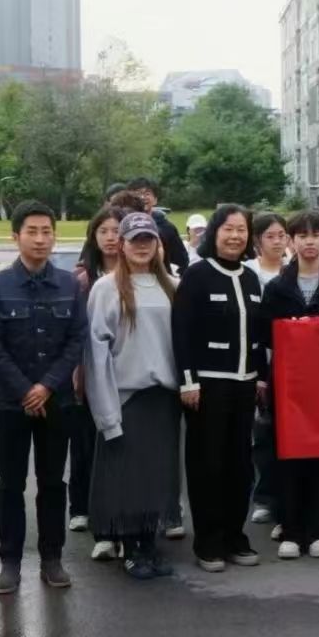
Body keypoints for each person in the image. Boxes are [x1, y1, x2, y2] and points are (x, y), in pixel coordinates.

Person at [0, 201, 88, 594]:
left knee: (53, 482)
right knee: (9, 484)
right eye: (32, 231)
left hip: (57, 402)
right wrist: (26, 390)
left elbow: (76, 340)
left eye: (46, 231)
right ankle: (10, 561)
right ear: (16, 236)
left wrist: (46, 386)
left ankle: (52, 558)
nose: (40, 239)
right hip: (10, 403)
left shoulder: (70, 285)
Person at [84, 213, 181, 580]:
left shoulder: (173, 286)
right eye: (134, 240)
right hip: (126, 395)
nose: (142, 246)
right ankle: (130, 548)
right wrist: (106, 411)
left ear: (158, 244)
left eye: (148, 239)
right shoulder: (105, 288)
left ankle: (149, 544)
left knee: (157, 477)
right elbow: (96, 353)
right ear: (121, 245)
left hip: (164, 396)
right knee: (127, 478)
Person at [172, 205, 268, 572]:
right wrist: (188, 381)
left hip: (244, 385)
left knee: (239, 465)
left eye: (242, 229)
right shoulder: (197, 276)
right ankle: (208, 542)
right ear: (214, 232)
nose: (235, 236)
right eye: (228, 228)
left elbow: (258, 335)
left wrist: (260, 377)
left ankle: (234, 536)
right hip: (207, 387)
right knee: (207, 465)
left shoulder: (251, 277)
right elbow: (181, 332)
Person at [261, 210, 319, 560]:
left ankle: (317, 530)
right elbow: (264, 333)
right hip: (287, 385)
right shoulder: (277, 288)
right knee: (287, 457)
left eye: (316, 235)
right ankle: (290, 528)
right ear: (291, 240)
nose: (309, 242)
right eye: (302, 235)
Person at [70, 207, 125, 558]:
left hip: (128, 375)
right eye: (102, 230)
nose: (110, 237)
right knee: (86, 444)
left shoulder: (141, 274)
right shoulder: (81, 279)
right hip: (87, 371)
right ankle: (82, 507)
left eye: (116, 230)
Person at [243, 213, 289, 527]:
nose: (276, 241)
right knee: (263, 434)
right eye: (269, 236)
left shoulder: (294, 270)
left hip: (290, 362)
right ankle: (264, 497)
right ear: (257, 240)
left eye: (281, 235)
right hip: (259, 359)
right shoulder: (249, 273)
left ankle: (287, 497)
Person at [126, 177, 190, 273]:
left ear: (155, 199)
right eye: (138, 194)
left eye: (147, 194)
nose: (142, 197)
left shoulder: (167, 228)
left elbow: (181, 261)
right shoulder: (123, 226)